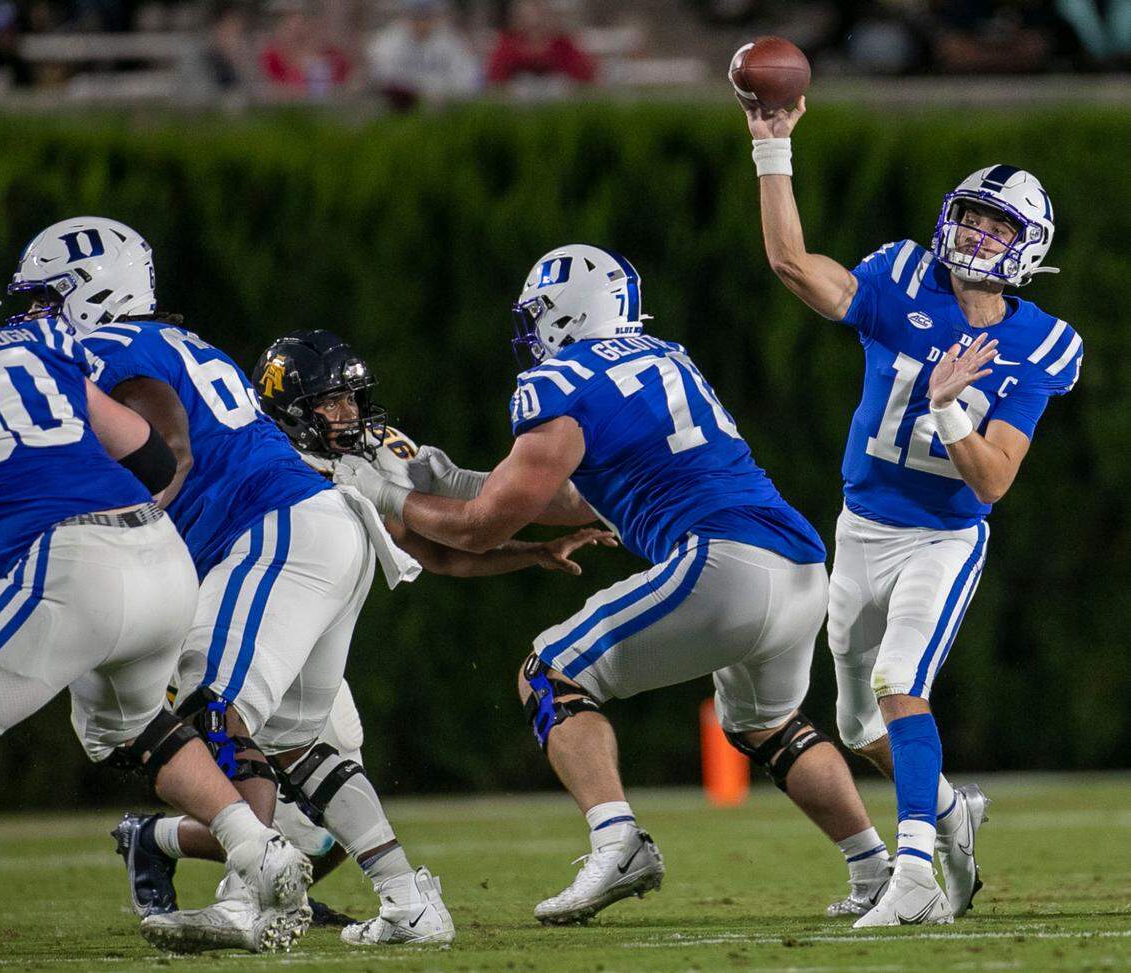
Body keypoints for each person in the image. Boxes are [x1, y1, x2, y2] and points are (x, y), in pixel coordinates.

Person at [338, 244, 893, 925]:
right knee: (764, 723)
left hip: (725, 563)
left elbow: (482, 528)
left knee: (551, 672)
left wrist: (385, 496)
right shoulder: (666, 356)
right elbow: (576, 494)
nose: (530, 329)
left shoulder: (559, 379)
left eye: (538, 313)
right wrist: (449, 481)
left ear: (568, 312)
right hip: (802, 566)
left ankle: (617, 840)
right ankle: (875, 868)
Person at [111, 328, 612, 947]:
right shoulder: (250, 443)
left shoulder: (345, 452)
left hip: (288, 576)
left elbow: (456, 510)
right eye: (331, 400)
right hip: (263, 582)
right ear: (288, 402)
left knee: (241, 727)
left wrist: (540, 539)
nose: (348, 413)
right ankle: (400, 898)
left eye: (352, 398)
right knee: (297, 753)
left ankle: (240, 892)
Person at [743, 96, 1082, 925]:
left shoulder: (1039, 343)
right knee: (861, 722)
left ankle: (915, 876)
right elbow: (793, 264)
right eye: (969, 215)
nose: (975, 235)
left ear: (1027, 248)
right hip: (860, 527)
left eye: (997, 226)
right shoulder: (898, 276)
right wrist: (773, 151)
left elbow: (994, 478)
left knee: (900, 680)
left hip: (942, 537)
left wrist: (949, 410)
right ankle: (952, 811)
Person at [8, 216, 367, 952]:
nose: (37, 315)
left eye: (48, 298)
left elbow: (162, 442)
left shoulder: (100, 347)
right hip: (225, 555)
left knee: (220, 712)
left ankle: (254, 886)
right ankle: (270, 861)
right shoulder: (188, 343)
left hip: (224, 544)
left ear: (89, 289)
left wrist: (137, 508)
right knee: (143, 724)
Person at [367, 0, 481, 110]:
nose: (421, 20)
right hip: (398, 110)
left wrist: (441, 94)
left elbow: (469, 81)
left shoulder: (454, 42)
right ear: (405, 13)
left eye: (427, 15)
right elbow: (382, 77)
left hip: (445, 110)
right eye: (416, 14)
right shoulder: (386, 41)